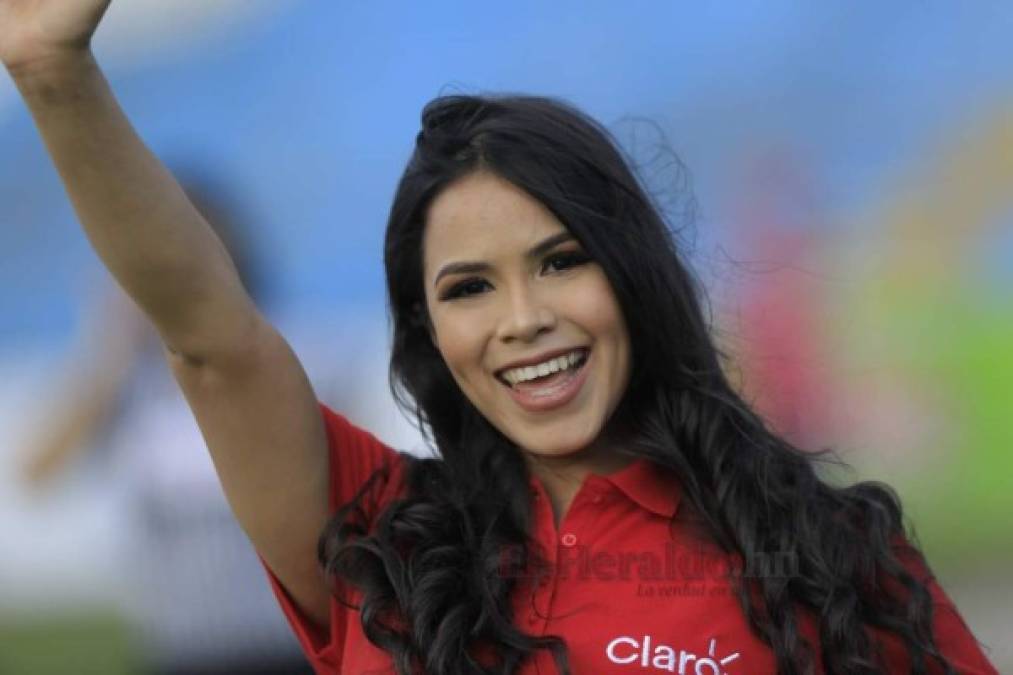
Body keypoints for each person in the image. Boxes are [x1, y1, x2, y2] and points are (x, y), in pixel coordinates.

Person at [0, 2, 998, 674]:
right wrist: (53, 74)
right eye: (468, 288)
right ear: (430, 332)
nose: (523, 320)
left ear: (634, 273)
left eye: (561, 261)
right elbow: (213, 340)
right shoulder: (378, 536)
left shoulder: (825, 554)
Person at [18, 174, 316, 675]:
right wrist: (111, 350)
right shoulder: (129, 384)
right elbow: (38, 472)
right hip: (180, 646)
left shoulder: (293, 362)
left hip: (288, 643)